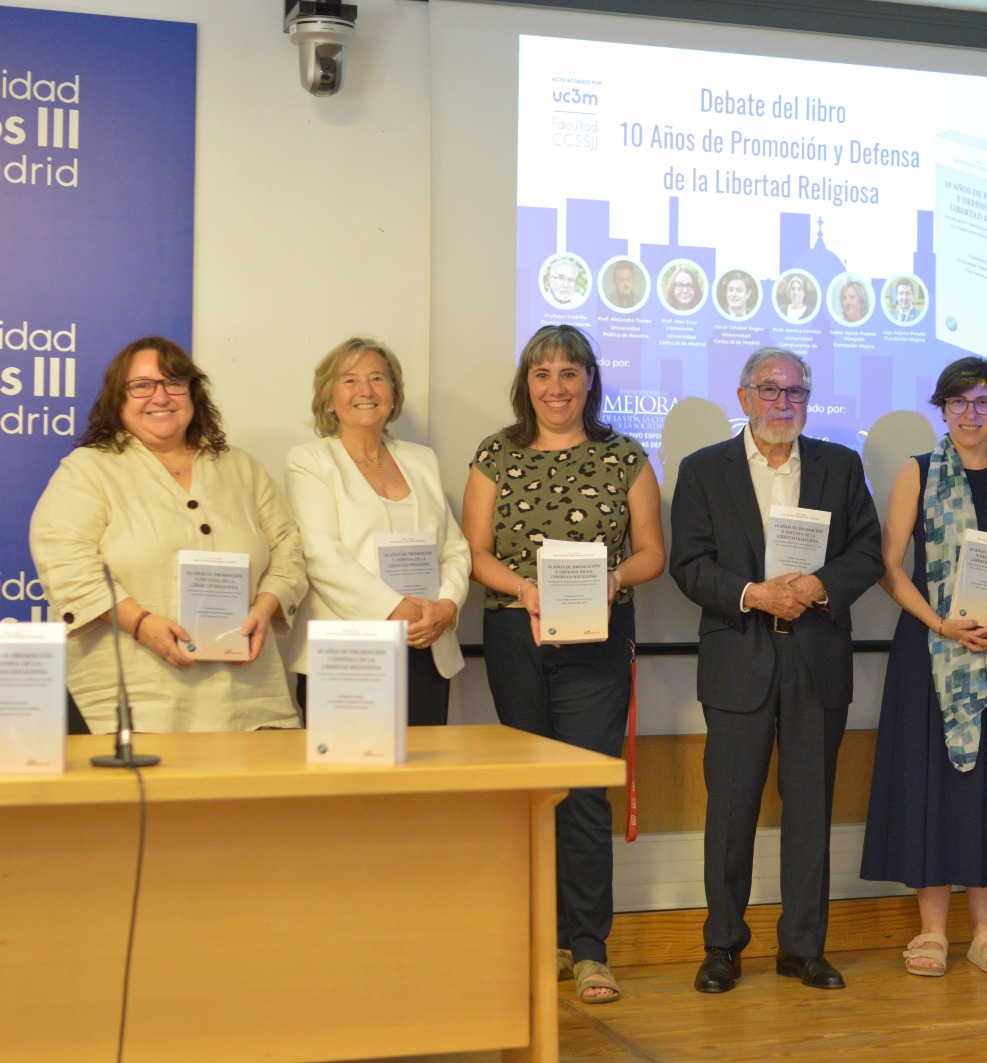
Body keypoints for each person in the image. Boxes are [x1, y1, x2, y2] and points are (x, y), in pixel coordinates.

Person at [462, 324, 665, 1004]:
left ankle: (587, 949)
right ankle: (534, 939)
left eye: (569, 373)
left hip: (598, 638)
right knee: (530, 790)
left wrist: (611, 580)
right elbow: (476, 551)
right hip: (517, 633)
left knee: (582, 791)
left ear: (589, 381)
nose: (556, 386)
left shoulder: (624, 455)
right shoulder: (495, 453)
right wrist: (522, 588)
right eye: (543, 373)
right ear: (527, 383)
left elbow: (651, 552)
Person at [670, 346, 883, 994]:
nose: (783, 403)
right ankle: (723, 946)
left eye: (796, 392)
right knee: (730, 812)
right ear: (744, 397)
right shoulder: (704, 470)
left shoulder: (840, 466)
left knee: (811, 810)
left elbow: (867, 551)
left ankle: (803, 947)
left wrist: (816, 583)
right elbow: (688, 563)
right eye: (770, 390)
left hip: (815, 657)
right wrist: (755, 593)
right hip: (741, 655)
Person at [860, 356, 987, 977]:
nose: (971, 414)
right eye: (959, 402)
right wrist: (943, 624)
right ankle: (933, 932)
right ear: (941, 408)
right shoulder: (916, 474)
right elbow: (890, 570)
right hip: (931, 652)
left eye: (985, 402)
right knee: (933, 788)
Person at [30, 336, 305, 733]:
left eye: (174, 382)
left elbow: (289, 550)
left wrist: (265, 608)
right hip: (134, 701)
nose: (160, 396)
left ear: (193, 393)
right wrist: (142, 624)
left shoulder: (243, 468)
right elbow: (65, 562)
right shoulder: (88, 470)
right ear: (118, 400)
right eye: (141, 385)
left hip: (250, 701)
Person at [284, 337, 470, 726]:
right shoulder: (310, 461)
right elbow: (322, 556)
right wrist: (397, 610)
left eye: (377, 379)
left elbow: (454, 548)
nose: (366, 391)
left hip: (426, 645)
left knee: (418, 782)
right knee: (349, 785)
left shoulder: (422, 460)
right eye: (350, 380)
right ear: (329, 399)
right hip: (346, 655)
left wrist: (446, 606)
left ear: (393, 394)